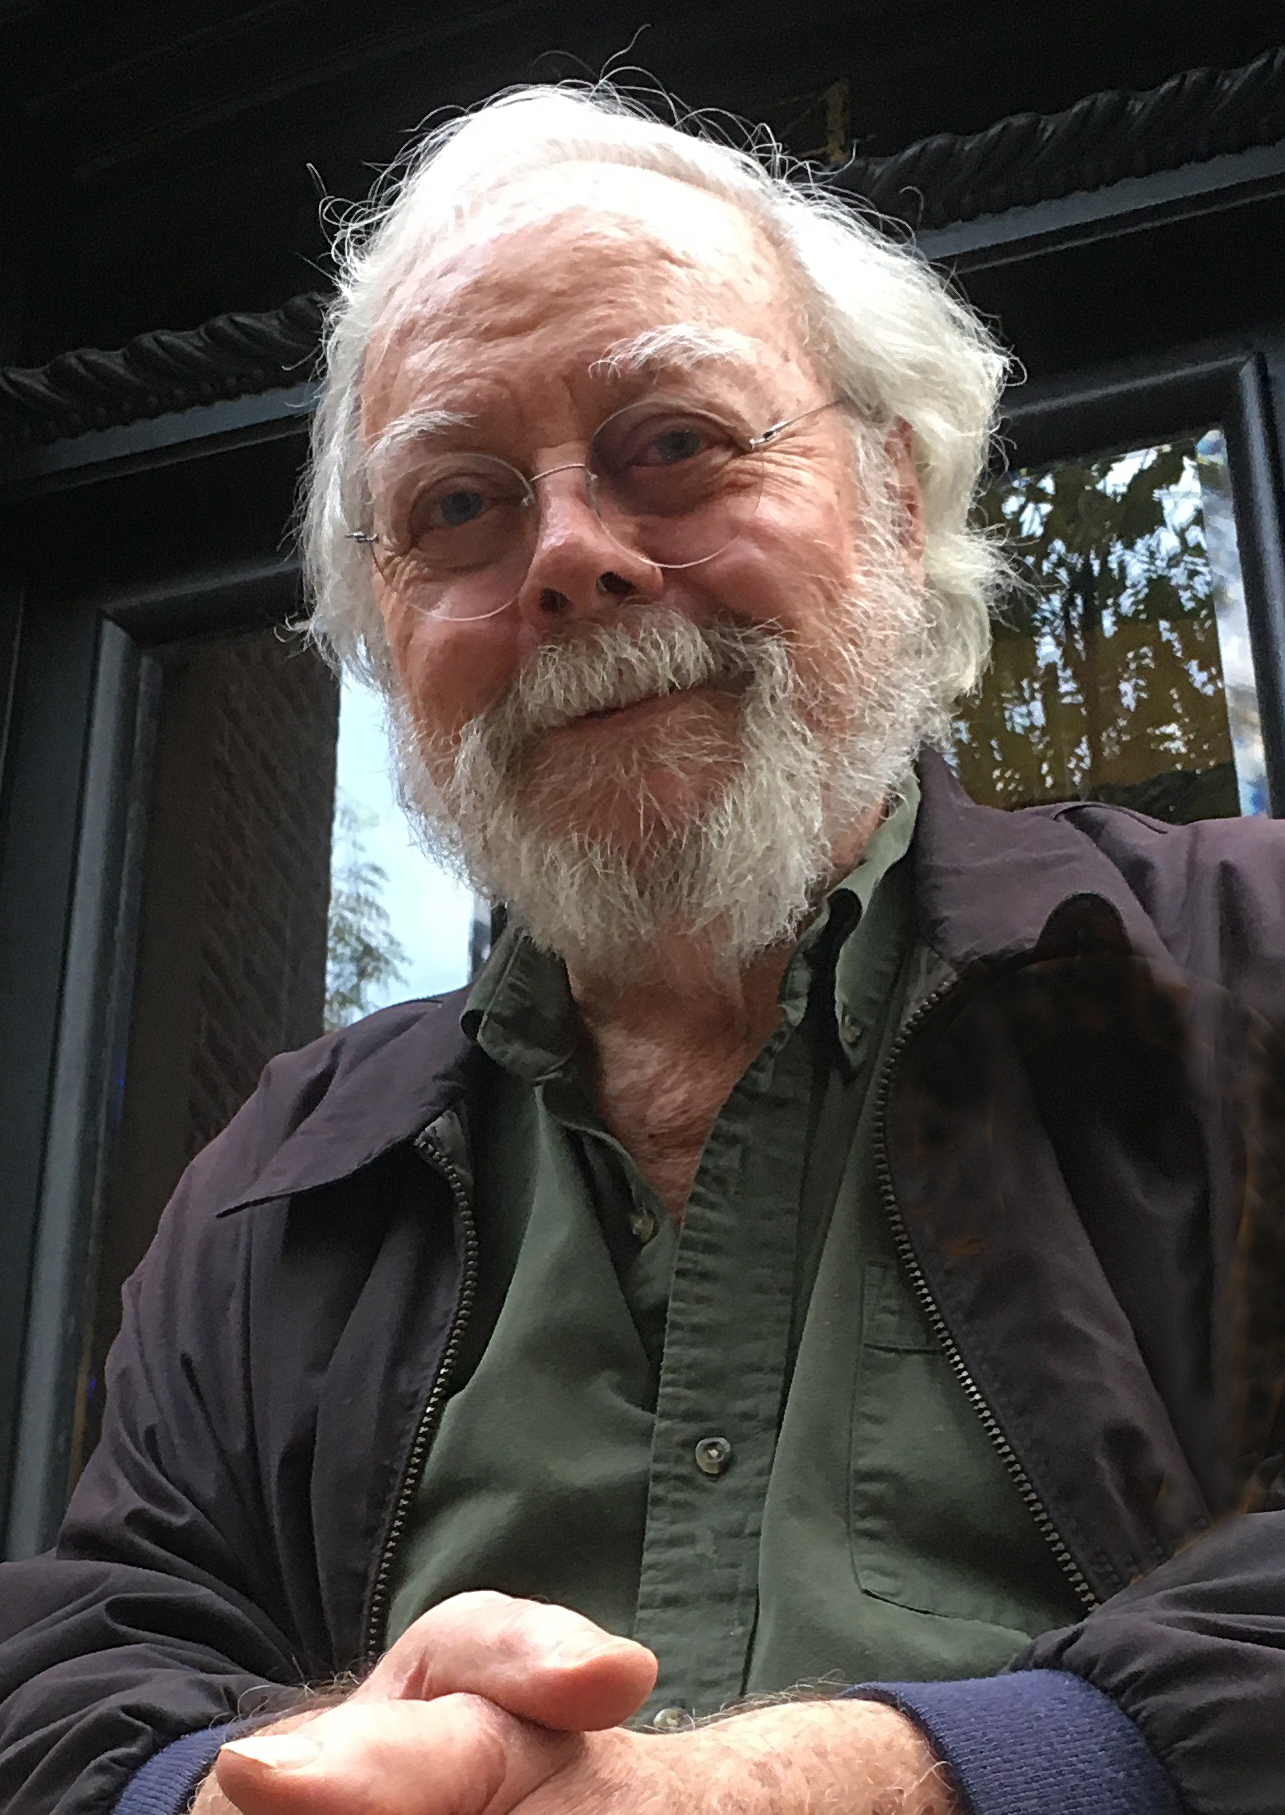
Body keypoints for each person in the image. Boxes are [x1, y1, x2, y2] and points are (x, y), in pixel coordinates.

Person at [1, 80, 1283, 1815]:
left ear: (894, 499)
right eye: (456, 505)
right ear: (390, 628)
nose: (571, 558)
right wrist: (244, 1790)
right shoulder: (280, 1181)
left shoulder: (1249, 960)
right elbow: (84, 1669)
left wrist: (866, 1783)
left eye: (671, 443)